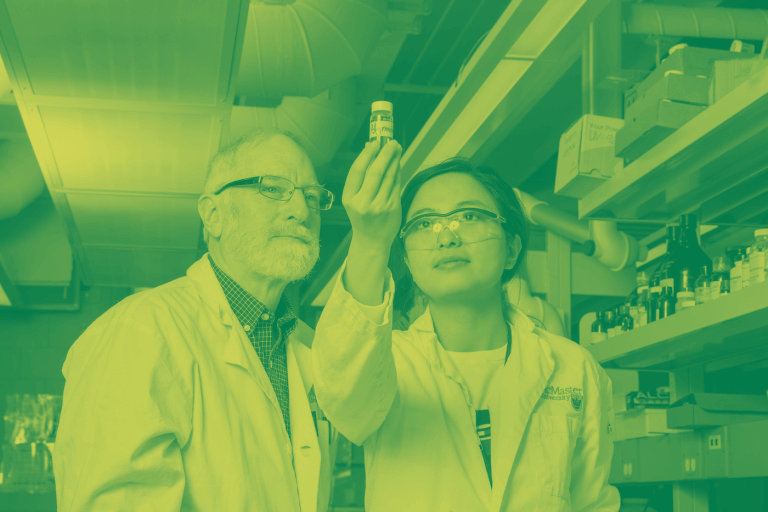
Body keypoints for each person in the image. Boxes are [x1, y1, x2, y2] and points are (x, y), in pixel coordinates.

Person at [312, 141, 620, 512]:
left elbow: (592, 502)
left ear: (511, 250)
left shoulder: (574, 368)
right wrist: (370, 239)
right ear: (408, 261)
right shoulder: (384, 363)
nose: (447, 236)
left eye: (470, 216)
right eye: (425, 223)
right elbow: (343, 401)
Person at [53, 129, 338, 512]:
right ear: (213, 215)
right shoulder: (141, 331)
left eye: (312, 196)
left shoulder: (304, 343)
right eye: (273, 188)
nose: (302, 211)